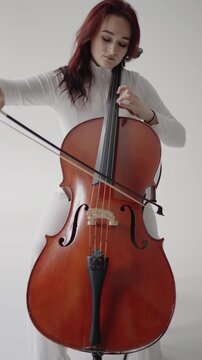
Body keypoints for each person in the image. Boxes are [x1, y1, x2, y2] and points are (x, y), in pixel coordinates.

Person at [0, 1, 186, 360]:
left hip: (129, 199)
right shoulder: (63, 81)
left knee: (145, 276)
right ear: (88, 36)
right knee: (40, 264)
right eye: (106, 38)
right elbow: (14, 90)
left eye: (122, 43)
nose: (113, 50)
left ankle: (146, 346)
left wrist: (147, 114)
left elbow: (179, 136)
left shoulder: (136, 84)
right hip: (76, 199)